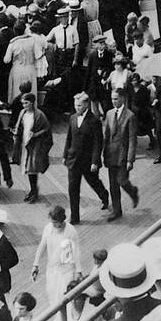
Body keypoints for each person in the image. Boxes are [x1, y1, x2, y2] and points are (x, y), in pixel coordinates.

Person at [32, 205, 82, 321]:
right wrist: (35, 264)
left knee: (64, 299)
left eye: (56, 222)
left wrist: (78, 271)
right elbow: (42, 246)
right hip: (52, 270)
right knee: (53, 300)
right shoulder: (48, 229)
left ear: (62, 220)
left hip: (67, 271)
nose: (54, 225)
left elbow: (76, 252)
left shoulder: (70, 231)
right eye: (52, 222)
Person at [63, 92, 109, 225]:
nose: (76, 107)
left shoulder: (94, 121)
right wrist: (65, 154)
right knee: (73, 188)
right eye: (75, 105)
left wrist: (95, 161)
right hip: (73, 160)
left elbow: (97, 143)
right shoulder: (72, 118)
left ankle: (104, 196)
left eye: (79, 105)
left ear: (86, 105)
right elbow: (69, 138)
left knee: (93, 182)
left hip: (88, 161)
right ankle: (75, 217)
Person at [102, 86, 139, 219]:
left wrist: (130, 159)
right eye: (112, 99)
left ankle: (133, 191)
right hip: (111, 154)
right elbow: (106, 135)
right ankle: (117, 211)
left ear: (123, 99)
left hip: (123, 155)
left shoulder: (130, 116)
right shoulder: (109, 113)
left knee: (122, 180)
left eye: (116, 99)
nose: (113, 101)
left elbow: (132, 139)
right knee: (113, 185)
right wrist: (102, 153)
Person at [13, 91, 53, 203]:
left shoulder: (39, 115)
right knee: (28, 169)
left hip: (35, 145)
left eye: (26, 103)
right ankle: (32, 190)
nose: (24, 105)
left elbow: (46, 129)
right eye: (23, 103)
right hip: (25, 143)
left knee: (32, 169)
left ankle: (34, 191)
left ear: (32, 103)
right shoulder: (23, 113)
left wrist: (35, 135)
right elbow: (19, 125)